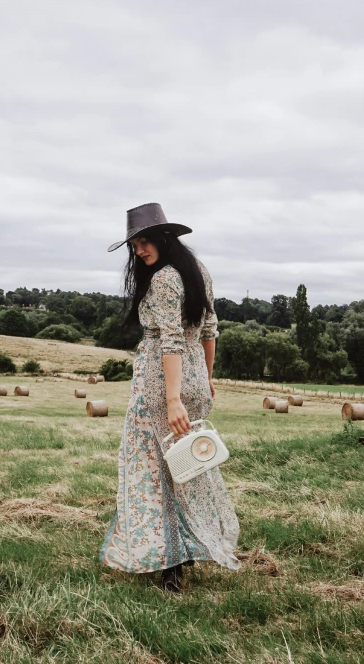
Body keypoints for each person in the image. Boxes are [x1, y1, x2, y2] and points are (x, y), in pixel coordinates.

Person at [100, 202, 239, 592]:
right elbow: (209, 331)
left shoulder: (163, 279)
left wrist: (173, 398)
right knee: (190, 466)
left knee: (155, 470)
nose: (139, 250)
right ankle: (187, 550)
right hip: (193, 375)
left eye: (145, 242)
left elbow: (171, 341)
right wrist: (206, 380)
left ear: (164, 238)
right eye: (135, 244)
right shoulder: (199, 272)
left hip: (162, 382)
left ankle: (170, 564)